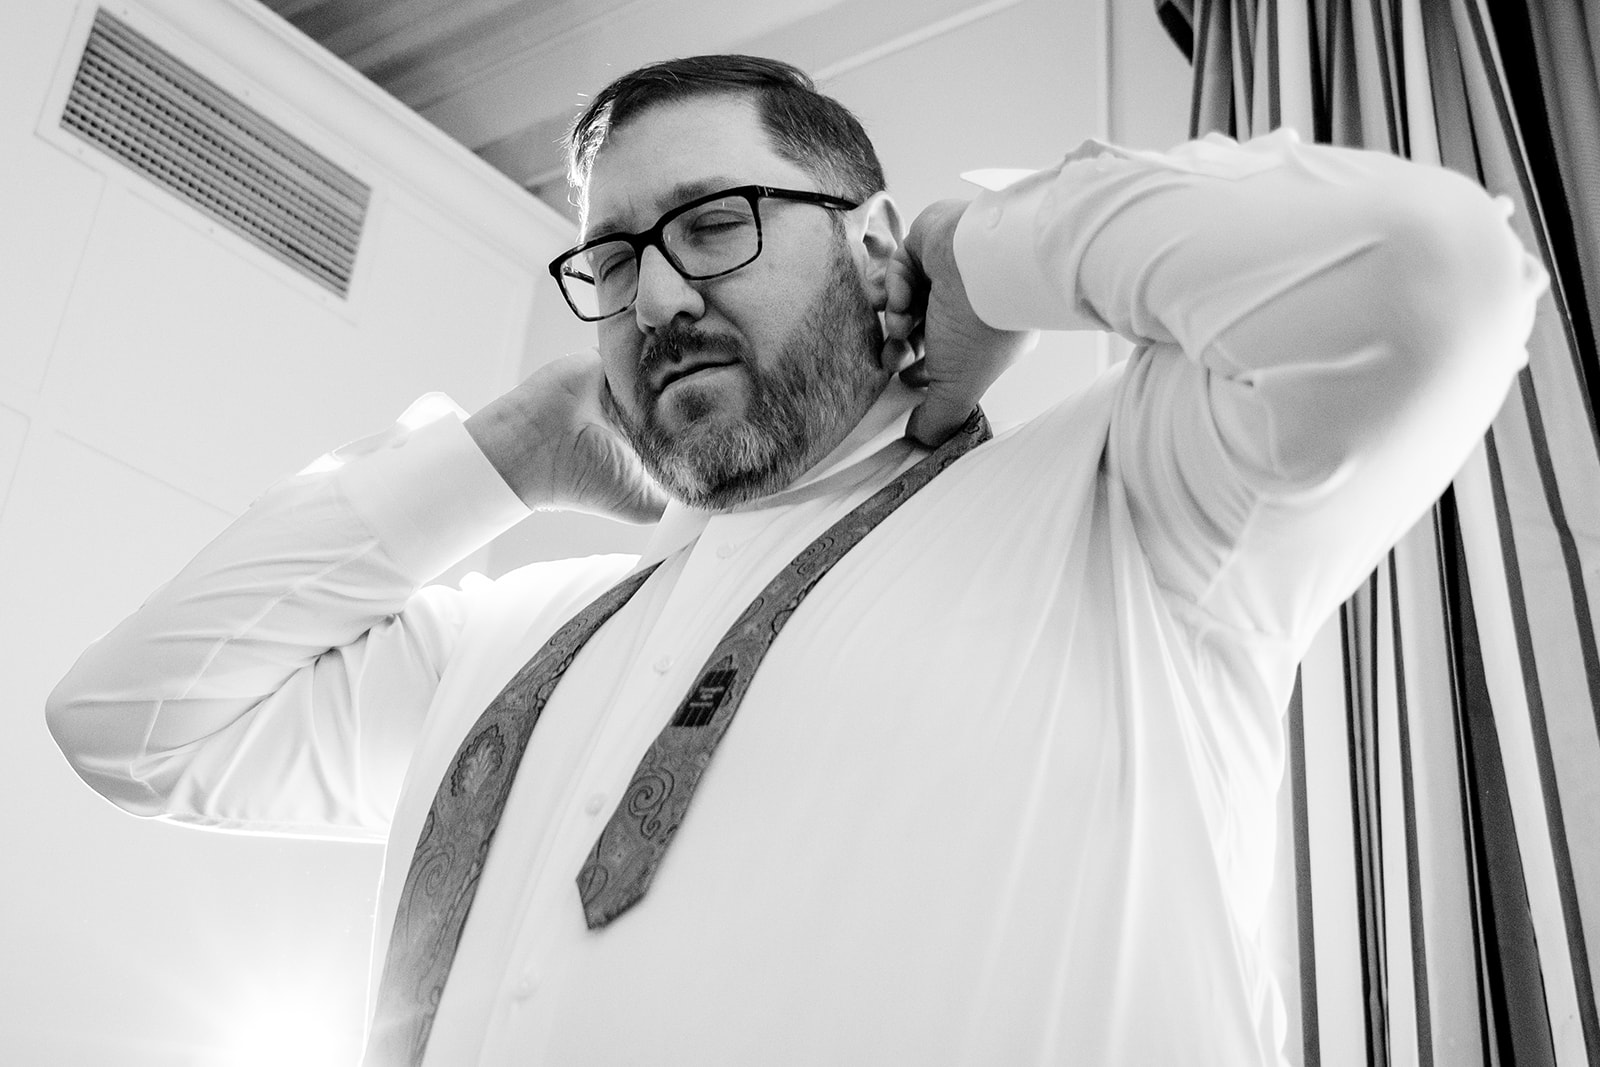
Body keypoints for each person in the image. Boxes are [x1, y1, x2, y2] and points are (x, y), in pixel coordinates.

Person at [47, 54, 1543, 1066]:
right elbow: (133, 724)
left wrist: (980, 251)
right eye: (614, 260)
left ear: (867, 238)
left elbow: (1430, 276)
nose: (656, 295)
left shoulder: (1135, 508)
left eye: (715, 223)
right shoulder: (508, 640)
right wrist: (498, 449)